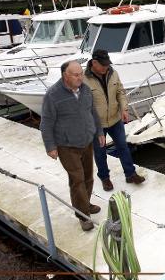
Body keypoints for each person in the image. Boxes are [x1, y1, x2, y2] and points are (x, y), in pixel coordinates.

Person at [40, 60, 105, 231]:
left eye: (81, 74)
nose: (80, 77)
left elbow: (93, 112)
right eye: (76, 75)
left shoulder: (85, 90)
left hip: (86, 141)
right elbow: (46, 123)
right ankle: (83, 215)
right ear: (65, 76)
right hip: (66, 145)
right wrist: (50, 146)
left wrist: (99, 132)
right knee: (77, 180)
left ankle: (85, 204)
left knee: (89, 177)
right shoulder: (53, 95)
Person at [84, 49, 145, 190]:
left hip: (115, 119)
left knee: (123, 146)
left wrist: (124, 108)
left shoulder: (113, 73)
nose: (107, 67)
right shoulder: (83, 79)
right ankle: (105, 178)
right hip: (96, 124)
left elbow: (120, 92)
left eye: (107, 64)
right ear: (94, 63)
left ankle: (130, 174)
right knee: (100, 152)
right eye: (103, 65)